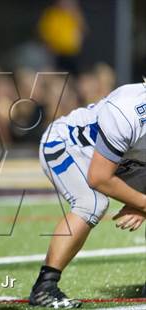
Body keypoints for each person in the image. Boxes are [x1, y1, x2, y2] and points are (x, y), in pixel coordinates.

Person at [29, 81, 146, 308]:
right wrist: (143, 202)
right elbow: (100, 177)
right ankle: (45, 286)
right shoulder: (127, 110)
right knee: (91, 203)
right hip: (69, 145)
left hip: (125, 160)